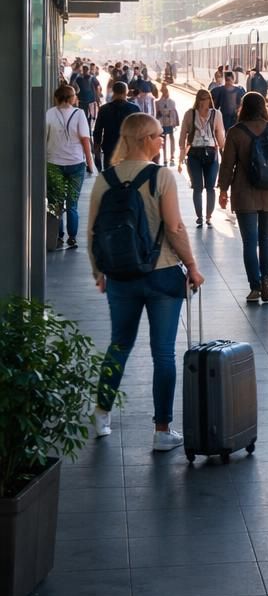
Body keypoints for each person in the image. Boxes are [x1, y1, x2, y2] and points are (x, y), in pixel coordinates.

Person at [85, 113, 204, 449]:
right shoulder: (161, 176)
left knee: (119, 345)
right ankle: (162, 431)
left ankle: (101, 413)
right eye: (157, 136)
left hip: (121, 277)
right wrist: (192, 266)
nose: (161, 140)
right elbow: (175, 228)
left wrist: (99, 272)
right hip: (163, 274)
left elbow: (93, 230)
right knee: (163, 353)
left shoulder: (105, 179)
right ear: (144, 139)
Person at [218, 92, 268, 303]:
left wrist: (223, 190)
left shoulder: (236, 132)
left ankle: (254, 287)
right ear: (264, 107)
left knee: (249, 242)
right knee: (266, 240)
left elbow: (227, 165)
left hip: (244, 194)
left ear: (243, 108)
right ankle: (265, 280)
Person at [45, 82, 94, 248]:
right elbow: (85, 140)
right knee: (72, 203)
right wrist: (90, 163)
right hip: (76, 163)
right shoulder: (79, 114)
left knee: (56, 203)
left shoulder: (49, 114)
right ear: (70, 98)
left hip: (54, 164)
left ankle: (58, 237)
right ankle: (72, 237)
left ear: (57, 98)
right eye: (74, 96)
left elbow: (42, 139)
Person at [180, 88, 225, 228]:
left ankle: (209, 216)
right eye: (200, 99)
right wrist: (181, 153)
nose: (203, 102)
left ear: (209, 100)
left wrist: (223, 146)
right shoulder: (190, 114)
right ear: (197, 100)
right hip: (194, 153)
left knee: (210, 187)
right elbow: (183, 134)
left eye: (205, 99)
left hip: (211, 153)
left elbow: (220, 136)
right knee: (198, 187)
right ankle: (199, 216)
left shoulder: (216, 114)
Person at [93, 81, 136, 169]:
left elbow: (97, 132)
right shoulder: (134, 109)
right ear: (126, 92)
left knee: (110, 178)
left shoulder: (104, 109)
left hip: (109, 149)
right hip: (129, 149)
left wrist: (97, 153)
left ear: (113, 91)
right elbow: (140, 131)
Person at [155, 88, 179, 167]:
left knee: (169, 138)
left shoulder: (170, 102)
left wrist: (174, 122)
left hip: (169, 122)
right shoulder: (158, 102)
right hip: (163, 122)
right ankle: (166, 157)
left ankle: (171, 155)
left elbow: (174, 112)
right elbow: (157, 113)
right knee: (165, 139)